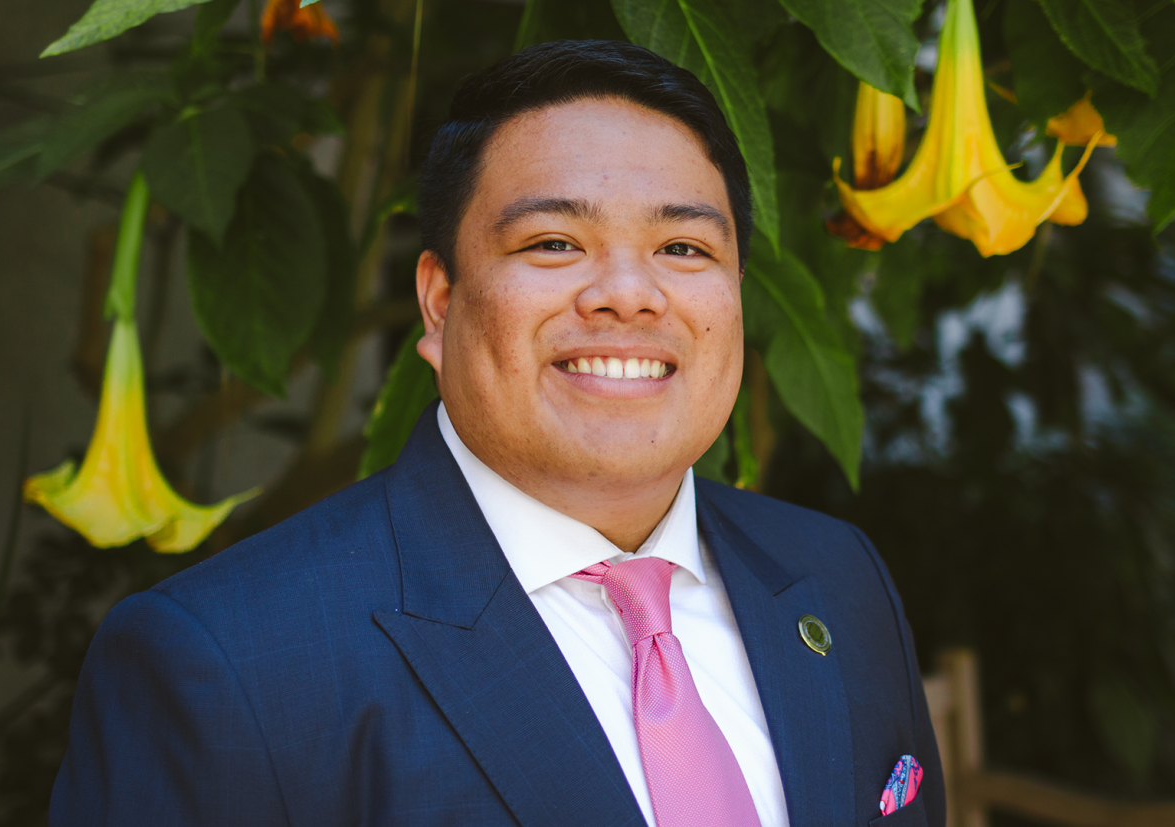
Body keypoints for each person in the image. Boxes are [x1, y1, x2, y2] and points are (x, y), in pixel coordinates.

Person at [50, 39, 944, 827]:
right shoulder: (226, 663)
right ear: (439, 303)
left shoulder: (839, 577)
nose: (629, 294)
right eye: (554, 243)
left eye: (685, 249)